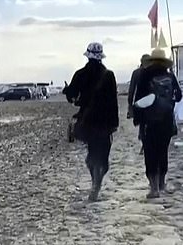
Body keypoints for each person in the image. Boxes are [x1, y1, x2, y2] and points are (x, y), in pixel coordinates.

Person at [64, 42, 119, 201]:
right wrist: (114, 124)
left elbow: (72, 97)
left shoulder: (80, 74)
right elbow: (113, 101)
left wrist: (67, 91)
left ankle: (95, 181)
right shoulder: (109, 75)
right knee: (102, 155)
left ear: (88, 56)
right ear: (101, 57)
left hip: (87, 120)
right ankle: (97, 182)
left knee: (91, 154)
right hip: (105, 121)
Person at [133, 47, 182, 199]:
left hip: (149, 122)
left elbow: (139, 99)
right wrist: (168, 103)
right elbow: (179, 96)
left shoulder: (144, 75)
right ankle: (162, 184)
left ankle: (153, 188)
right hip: (166, 121)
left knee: (150, 153)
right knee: (163, 152)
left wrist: (138, 120)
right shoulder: (170, 76)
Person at [127, 54, 150, 154]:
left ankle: (144, 145)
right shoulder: (152, 72)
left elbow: (131, 90)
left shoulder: (136, 73)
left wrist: (130, 105)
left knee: (142, 124)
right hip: (151, 102)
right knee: (149, 123)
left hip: (140, 102)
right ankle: (146, 145)